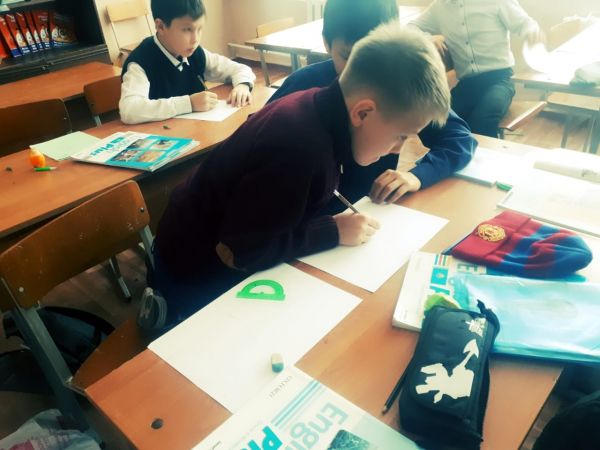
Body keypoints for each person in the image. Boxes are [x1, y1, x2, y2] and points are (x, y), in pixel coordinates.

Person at [139, 23, 452, 330]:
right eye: (400, 136)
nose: (398, 149)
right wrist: (332, 231)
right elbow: (238, 253)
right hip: (195, 273)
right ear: (363, 113)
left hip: (222, 244)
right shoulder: (301, 149)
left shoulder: (321, 109)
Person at [269, 0, 475, 211]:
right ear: (327, 44)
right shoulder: (303, 85)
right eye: (348, 55)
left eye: (376, 55)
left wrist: (416, 176)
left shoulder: (402, 86)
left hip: (372, 211)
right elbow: (266, 152)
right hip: (308, 219)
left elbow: (459, 139)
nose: (363, 69)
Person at [411, 0, 543, 137]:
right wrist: (427, 38)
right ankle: (459, 149)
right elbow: (411, 27)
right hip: (466, 84)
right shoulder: (440, 6)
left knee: (481, 121)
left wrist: (531, 32)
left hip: (499, 80)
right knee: (433, 125)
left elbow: (525, 23)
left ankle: (486, 151)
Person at [119, 0, 256, 124]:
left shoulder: (194, 53)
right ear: (160, 26)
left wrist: (242, 85)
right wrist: (188, 103)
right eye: (187, 30)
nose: (195, 39)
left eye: (199, 29)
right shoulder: (140, 63)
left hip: (199, 132)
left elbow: (240, 69)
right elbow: (129, 110)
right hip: (164, 138)